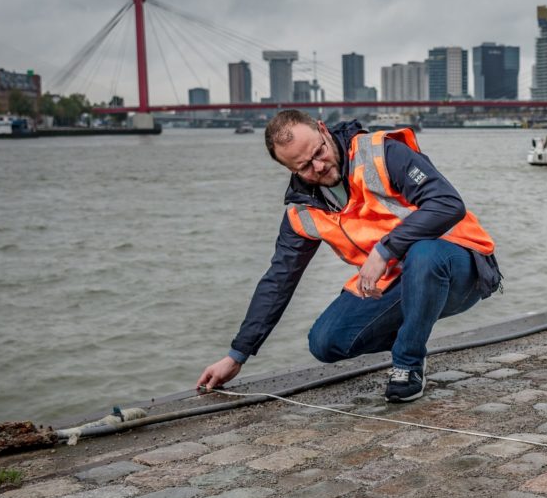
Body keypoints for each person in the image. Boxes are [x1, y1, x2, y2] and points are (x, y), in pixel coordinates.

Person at [197, 109, 501, 402]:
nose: (317, 167)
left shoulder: (382, 153)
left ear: (323, 129)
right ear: (288, 169)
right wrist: (237, 355)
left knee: (424, 252)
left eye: (319, 152)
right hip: (400, 281)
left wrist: (385, 250)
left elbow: (447, 203)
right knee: (326, 342)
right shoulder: (303, 210)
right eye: (302, 166)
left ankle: (408, 363)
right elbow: (278, 280)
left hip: (461, 267)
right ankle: (413, 333)